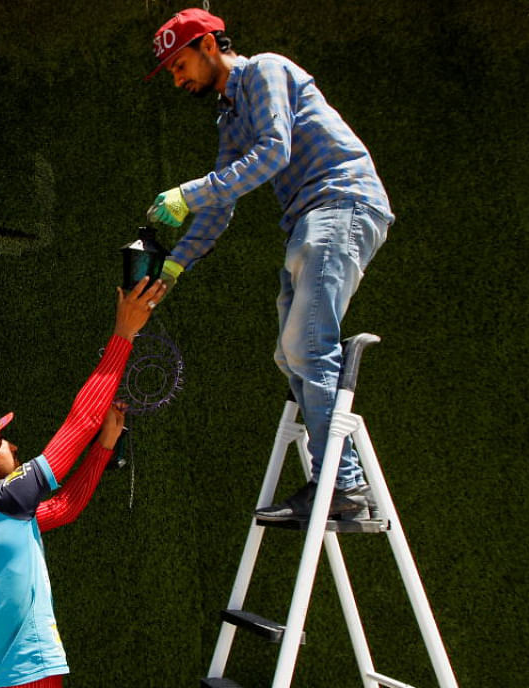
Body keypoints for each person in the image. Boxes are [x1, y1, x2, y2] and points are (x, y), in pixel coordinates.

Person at [144, 8, 393, 520]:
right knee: (290, 353)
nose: (177, 78)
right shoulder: (231, 114)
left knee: (307, 345)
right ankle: (338, 483)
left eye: (179, 63)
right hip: (311, 219)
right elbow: (222, 201)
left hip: (341, 202)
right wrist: (175, 265)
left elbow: (273, 152)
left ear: (210, 45)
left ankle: (340, 485)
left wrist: (188, 193)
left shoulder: (266, 71)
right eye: (170, 70)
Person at [0, 279, 167, 688]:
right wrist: (123, 334)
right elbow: (77, 424)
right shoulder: (3, 501)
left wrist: (103, 447)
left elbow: (65, 508)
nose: (13, 447)